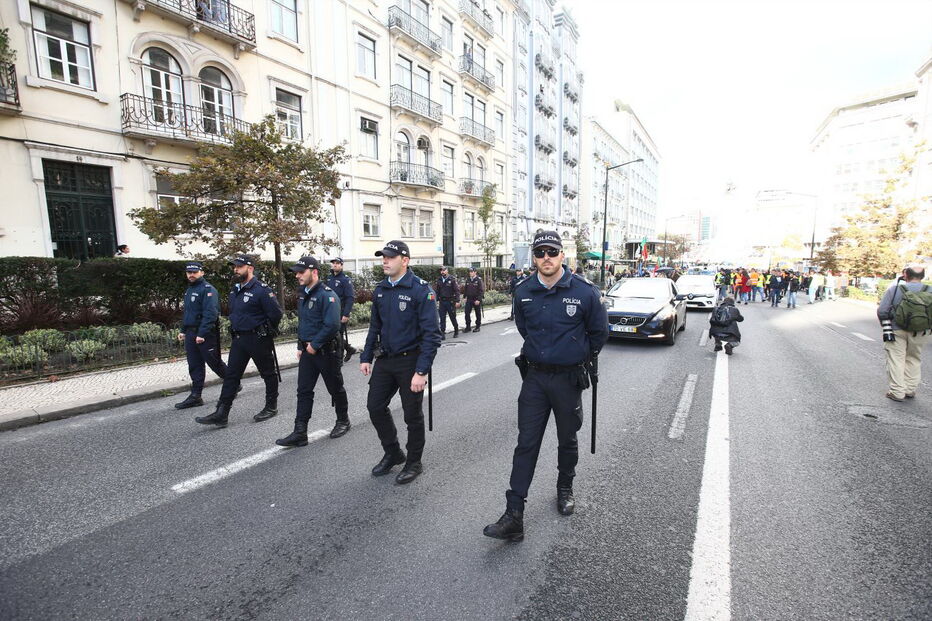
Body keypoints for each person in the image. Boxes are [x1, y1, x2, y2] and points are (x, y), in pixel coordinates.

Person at [483, 231, 608, 542]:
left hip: (568, 379)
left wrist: (576, 356)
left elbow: (599, 333)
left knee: (567, 439)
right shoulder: (523, 291)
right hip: (535, 379)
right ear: (534, 258)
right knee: (526, 442)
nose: (546, 258)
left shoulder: (584, 292)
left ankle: (564, 487)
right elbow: (525, 329)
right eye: (540, 253)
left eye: (552, 251)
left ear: (562, 255)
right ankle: (514, 515)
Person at [359, 241, 441, 484]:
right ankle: (393, 452)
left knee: (411, 415)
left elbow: (432, 335)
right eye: (383, 257)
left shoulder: (420, 290)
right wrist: (366, 357)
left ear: (404, 260)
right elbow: (375, 325)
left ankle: (414, 462)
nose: (385, 261)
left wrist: (422, 371)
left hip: (411, 362)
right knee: (375, 407)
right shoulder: (381, 289)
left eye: (390, 257)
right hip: (386, 359)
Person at [196, 254, 283, 428]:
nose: (235, 270)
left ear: (250, 268)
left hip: (258, 338)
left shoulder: (261, 289)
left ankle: (271, 406)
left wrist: (264, 329)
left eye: (239, 266)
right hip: (239, 339)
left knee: (268, 373)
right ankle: (222, 413)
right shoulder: (235, 290)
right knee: (231, 376)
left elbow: (276, 314)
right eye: (234, 267)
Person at [276, 256, 350, 446]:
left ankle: (343, 420)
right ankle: (300, 432)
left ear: (314, 272)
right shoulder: (303, 294)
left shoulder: (328, 295)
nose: (298, 276)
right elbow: (304, 323)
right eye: (297, 272)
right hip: (308, 351)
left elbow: (332, 325)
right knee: (304, 391)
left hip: (326, 351)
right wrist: (301, 346)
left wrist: (314, 345)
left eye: (301, 272)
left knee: (335, 388)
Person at [175, 261, 227, 409]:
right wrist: (183, 330)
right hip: (191, 333)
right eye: (189, 272)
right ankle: (195, 396)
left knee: (214, 362)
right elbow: (188, 312)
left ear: (201, 273)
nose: (191, 275)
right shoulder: (189, 289)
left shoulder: (208, 289)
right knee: (194, 364)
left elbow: (211, 313)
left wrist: (202, 333)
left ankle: (233, 383)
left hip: (205, 333)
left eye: (194, 272)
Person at [877, 264, 931, 402]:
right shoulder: (929, 290)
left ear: (905, 275)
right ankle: (910, 389)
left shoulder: (895, 290)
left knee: (896, 359)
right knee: (914, 358)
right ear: (923, 276)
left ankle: (897, 391)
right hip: (921, 331)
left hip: (897, 329)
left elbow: (882, 311)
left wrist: (886, 327)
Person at [327, 258, 357, 362]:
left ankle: (338, 360)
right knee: (332, 334)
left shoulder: (345, 279)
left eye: (337, 263)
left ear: (342, 265)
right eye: (333, 263)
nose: (335, 265)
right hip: (330, 311)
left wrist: (346, 314)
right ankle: (349, 349)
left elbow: (350, 297)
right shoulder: (329, 278)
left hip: (341, 312)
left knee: (338, 335)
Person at [435, 266, 460, 339]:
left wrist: (457, 301)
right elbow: (437, 291)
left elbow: (457, 291)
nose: (442, 272)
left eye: (443, 270)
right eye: (441, 270)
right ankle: (442, 333)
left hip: (450, 302)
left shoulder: (452, 279)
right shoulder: (439, 280)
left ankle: (456, 330)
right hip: (442, 302)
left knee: (452, 317)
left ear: (447, 271)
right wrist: (435, 300)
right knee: (442, 318)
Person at [463, 267, 485, 333]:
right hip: (469, 299)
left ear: (475, 272)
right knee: (467, 313)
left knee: (477, 313)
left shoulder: (478, 280)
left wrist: (478, 299)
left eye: (472, 272)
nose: (470, 273)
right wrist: (464, 297)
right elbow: (466, 289)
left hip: (476, 299)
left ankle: (478, 326)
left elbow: (481, 291)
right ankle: (468, 326)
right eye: (470, 272)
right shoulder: (468, 279)